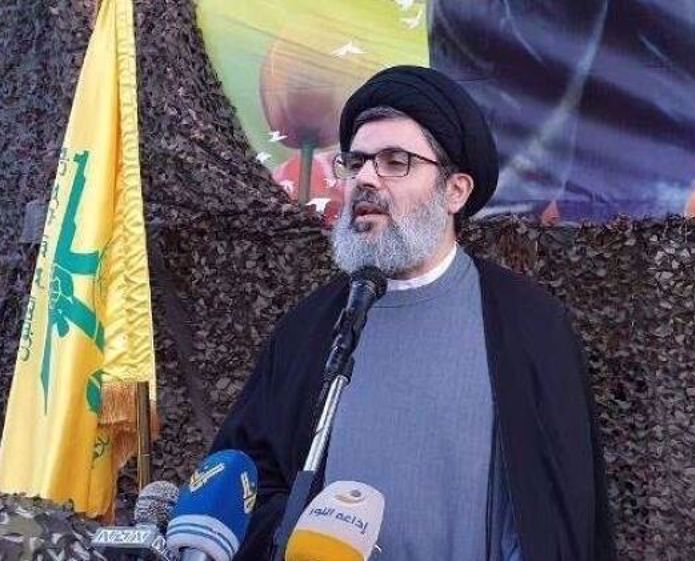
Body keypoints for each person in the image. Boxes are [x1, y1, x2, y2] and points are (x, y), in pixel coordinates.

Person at [211, 65, 615, 561]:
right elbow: (248, 482)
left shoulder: (530, 326)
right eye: (356, 162)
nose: (364, 179)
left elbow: (560, 514)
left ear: (455, 191)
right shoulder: (310, 328)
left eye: (394, 161)